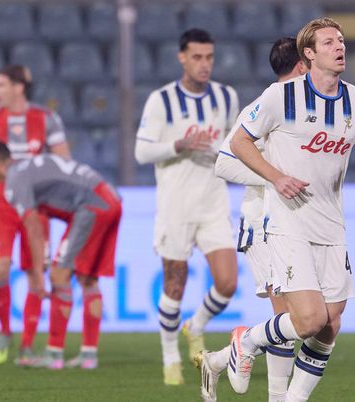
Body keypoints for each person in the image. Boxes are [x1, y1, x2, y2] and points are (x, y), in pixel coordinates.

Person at [223, 18, 355, 401]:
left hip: (331, 226)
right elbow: (239, 142)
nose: (340, 47)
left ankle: (291, 397)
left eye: (341, 40)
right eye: (329, 42)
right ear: (309, 54)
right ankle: (248, 342)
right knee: (309, 319)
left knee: (329, 326)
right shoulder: (280, 97)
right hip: (288, 222)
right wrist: (276, 177)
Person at [197, 37, 308, 402]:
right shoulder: (266, 105)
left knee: (296, 322)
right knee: (289, 316)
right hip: (263, 223)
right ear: (303, 65)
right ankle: (268, 387)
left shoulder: (307, 107)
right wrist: (276, 178)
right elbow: (225, 162)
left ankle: (219, 359)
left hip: (297, 222)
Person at [134, 28, 240, 385]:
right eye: (197, 57)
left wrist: (218, 151)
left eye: (209, 57)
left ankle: (195, 326)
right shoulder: (161, 100)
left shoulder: (227, 98)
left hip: (213, 203)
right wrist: (179, 144)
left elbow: (233, 146)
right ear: (182, 57)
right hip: (175, 207)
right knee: (174, 286)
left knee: (227, 282)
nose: (204, 64)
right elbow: (142, 151)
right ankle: (169, 359)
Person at [0, 140, 122, 370]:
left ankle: (54, 354)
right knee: (88, 279)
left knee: (58, 276)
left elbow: (34, 226)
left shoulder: (13, 183)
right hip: (111, 199)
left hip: (92, 206)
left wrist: (38, 272)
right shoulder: (27, 168)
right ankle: (88, 355)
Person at [0, 65, 71, 365]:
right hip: (1, 204)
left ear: (18, 87)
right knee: (0, 268)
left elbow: (64, 162)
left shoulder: (46, 118)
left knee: (36, 273)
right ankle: (4, 331)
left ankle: (26, 344)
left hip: (37, 206)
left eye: (0, 85)